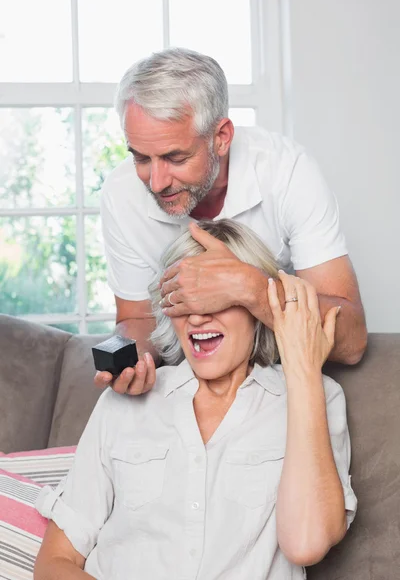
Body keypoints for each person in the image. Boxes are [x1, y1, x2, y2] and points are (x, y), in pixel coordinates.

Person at [34, 219, 357, 580]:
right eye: (183, 300)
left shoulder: (318, 395)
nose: (198, 316)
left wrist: (301, 362)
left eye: (217, 298)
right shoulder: (123, 403)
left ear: (255, 305)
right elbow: (55, 563)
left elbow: (306, 543)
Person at [96, 47, 367, 397]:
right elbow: (138, 320)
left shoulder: (286, 172)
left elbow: (353, 340)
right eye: (141, 158)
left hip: (283, 379)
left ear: (221, 137)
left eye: (175, 157)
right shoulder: (121, 193)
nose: (157, 181)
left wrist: (249, 288)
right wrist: (130, 360)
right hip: (193, 389)